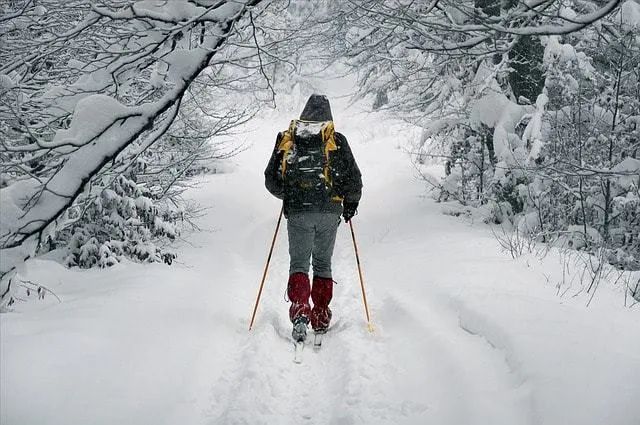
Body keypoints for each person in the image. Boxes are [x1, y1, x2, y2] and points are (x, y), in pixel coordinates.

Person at [264, 94, 362, 342]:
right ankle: (320, 315)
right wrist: (350, 205)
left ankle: (299, 314)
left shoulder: (289, 139)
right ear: (328, 116)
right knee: (322, 263)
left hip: (299, 212)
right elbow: (354, 180)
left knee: (299, 264)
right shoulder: (336, 140)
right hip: (330, 211)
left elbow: (271, 179)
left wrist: (289, 195)